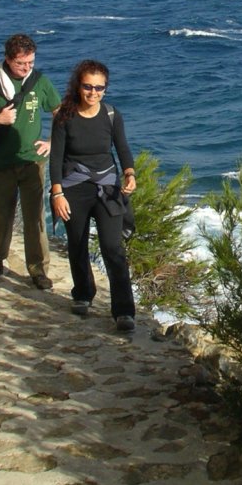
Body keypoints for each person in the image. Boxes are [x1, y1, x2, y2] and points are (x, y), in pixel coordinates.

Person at [0, 33, 61, 289]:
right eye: (21, 63)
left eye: (31, 62)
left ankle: (38, 269)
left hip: (32, 161)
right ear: (8, 59)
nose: (27, 68)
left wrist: (52, 142)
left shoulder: (39, 82)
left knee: (35, 218)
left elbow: (59, 111)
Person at [49, 59, 138, 332]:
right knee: (77, 244)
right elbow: (56, 158)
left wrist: (130, 174)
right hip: (73, 188)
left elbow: (122, 147)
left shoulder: (111, 115)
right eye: (88, 86)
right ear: (78, 85)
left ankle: (124, 311)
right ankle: (83, 294)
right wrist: (57, 193)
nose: (93, 93)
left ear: (105, 89)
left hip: (107, 187)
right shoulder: (64, 116)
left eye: (99, 88)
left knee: (113, 248)